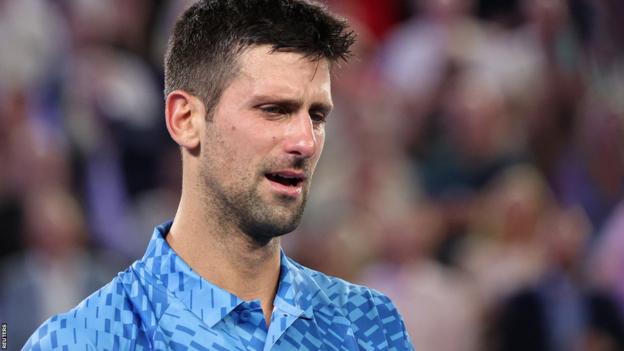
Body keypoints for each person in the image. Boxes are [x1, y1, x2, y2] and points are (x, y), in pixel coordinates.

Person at [23, 0, 414, 350]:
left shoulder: (370, 323)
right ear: (186, 119)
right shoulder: (80, 341)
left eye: (317, 116)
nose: (306, 142)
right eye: (274, 109)